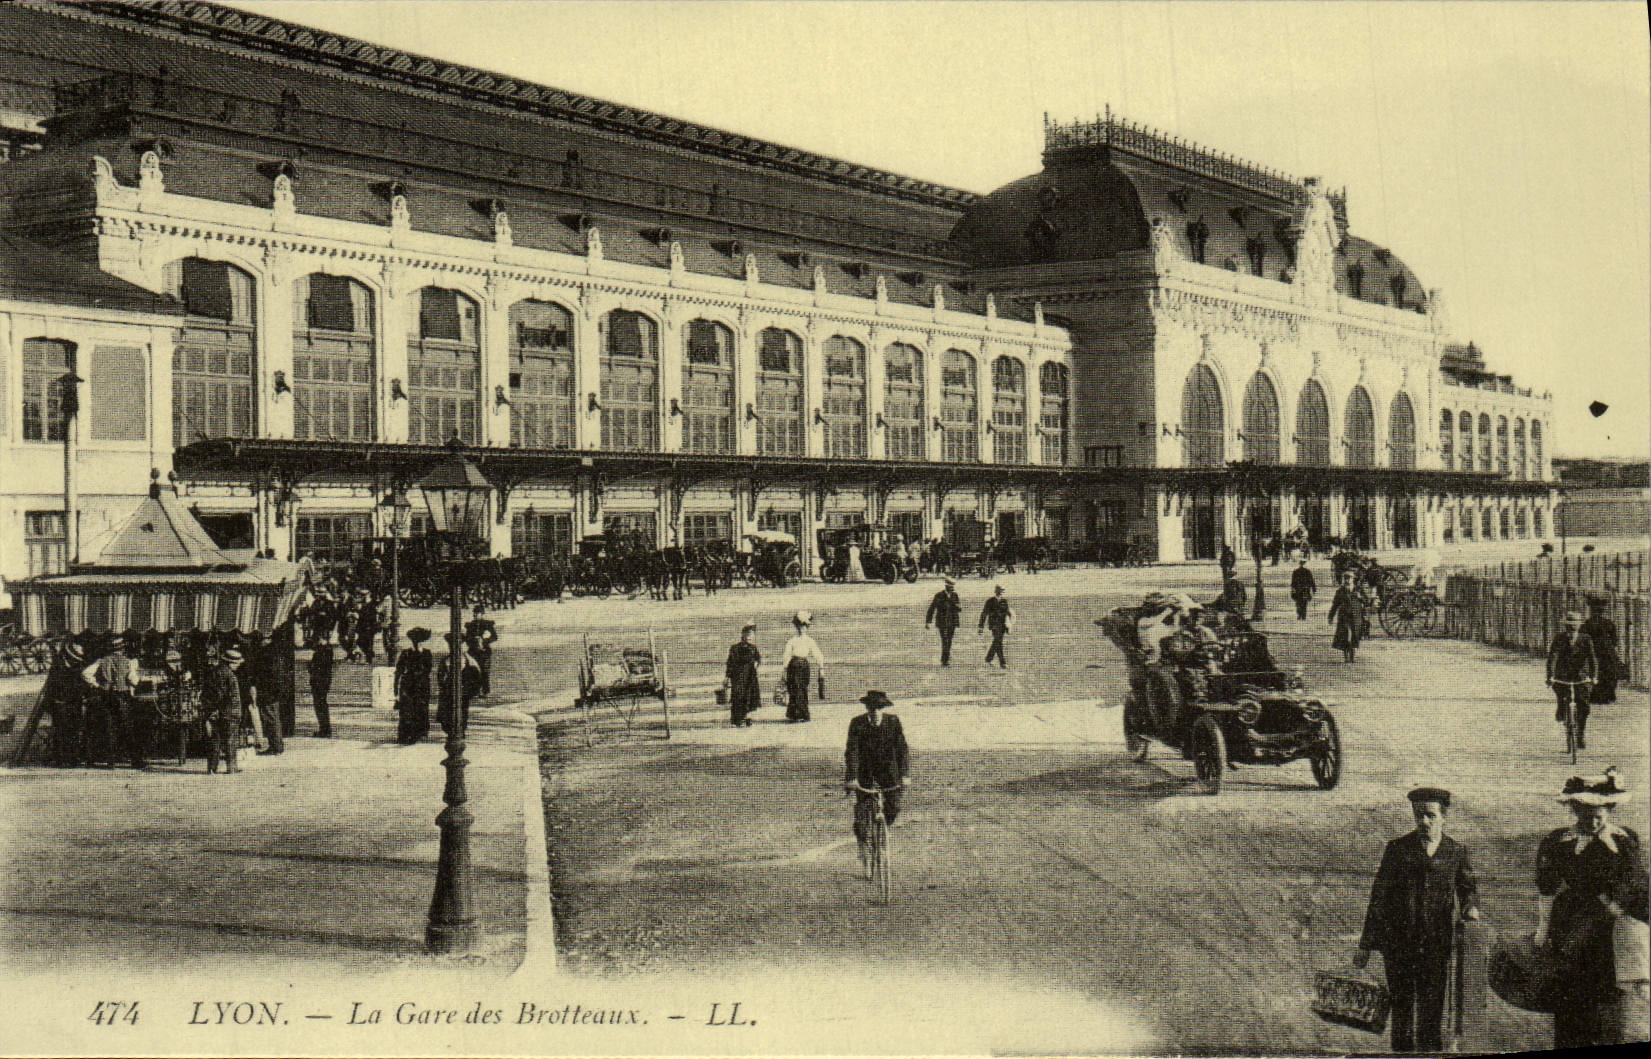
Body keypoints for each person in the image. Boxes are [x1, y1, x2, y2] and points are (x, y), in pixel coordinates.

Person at [1355, 787, 1481, 1053]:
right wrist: (1365, 945)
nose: (1424, 822)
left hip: (1436, 946)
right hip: (1399, 946)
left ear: (1443, 817)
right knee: (1401, 1012)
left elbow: (1468, 887)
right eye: (1418, 816)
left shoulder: (1455, 851)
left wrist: (1470, 909)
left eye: (1430, 816)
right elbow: (1378, 898)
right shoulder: (1397, 849)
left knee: (1431, 1012)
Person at [1534, 770, 1648, 1047]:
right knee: (1571, 1002)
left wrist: (1620, 906)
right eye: (1587, 813)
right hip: (1571, 926)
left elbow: (1638, 883)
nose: (1594, 819)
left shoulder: (1625, 841)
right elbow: (1547, 887)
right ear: (1575, 809)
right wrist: (1542, 930)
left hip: (1611, 930)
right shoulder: (1558, 841)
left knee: (1609, 1004)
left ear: (1610, 808)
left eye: (1601, 813)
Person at [843, 690, 910, 873]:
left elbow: (902, 750)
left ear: (884, 709)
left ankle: (883, 833)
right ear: (866, 709)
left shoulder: (893, 722)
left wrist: (904, 775)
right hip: (865, 774)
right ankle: (863, 844)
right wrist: (851, 778)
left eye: (879, 709)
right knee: (863, 814)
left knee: (894, 806)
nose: (875, 712)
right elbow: (852, 751)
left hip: (889, 773)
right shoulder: (857, 724)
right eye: (871, 709)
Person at [81, 635, 144, 769]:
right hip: (122, 696)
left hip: (106, 696)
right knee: (127, 728)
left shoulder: (102, 661)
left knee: (109, 728)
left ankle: (111, 761)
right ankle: (135, 760)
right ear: (122, 649)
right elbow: (133, 680)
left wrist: (97, 685)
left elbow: (86, 673)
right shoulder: (128, 662)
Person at [1546, 610, 1597, 749]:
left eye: (1574, 625)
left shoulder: (1586, 639)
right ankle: (1561, 708)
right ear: (1565, 626)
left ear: (1579, 626)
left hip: (1581, 677)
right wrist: (1550, 676)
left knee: (1584, 706)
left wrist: (1594, 676)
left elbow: (1592, 659)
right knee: (1562, 696)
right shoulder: (1559, 639)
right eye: (1569, 626)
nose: (1572, 628)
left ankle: (1580, 734)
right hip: (1563, 676)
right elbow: (1553, 657)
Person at [41, 641, 87, 767]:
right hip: (60, 704)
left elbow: (81, 686)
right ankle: (60, 759)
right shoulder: (57, 668)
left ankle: (72, 759)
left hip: (73, 704)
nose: (75, 661)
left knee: (73, 731)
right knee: (60, 731)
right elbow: (52, 688)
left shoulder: (76, 667)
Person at [200, 646, 244, 775]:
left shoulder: (214, 672)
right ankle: (231, 768)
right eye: (237, 663)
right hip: (229, 713)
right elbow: (225, 695)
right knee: (230, 741)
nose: (238, 666)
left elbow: (209, 693)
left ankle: (212, 768)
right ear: (231, 663)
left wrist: (211, 710)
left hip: (215, 711)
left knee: (215, 740)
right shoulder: (230, 676)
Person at [780, 611, 826, 722]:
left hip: (804, 666)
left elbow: (818, 654)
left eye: (804, 626)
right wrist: (784, 670)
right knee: (794, 689)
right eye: (800, 626)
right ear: (797, 627)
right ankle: (794, 715)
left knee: (803, 689)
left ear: (807, 627)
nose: (802, 629)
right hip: (793, 666)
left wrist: (821, 668)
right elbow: (786, 655)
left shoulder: (810, 641)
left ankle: (803, 714)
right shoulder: (792, 640)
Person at [436, 633, 482, 737]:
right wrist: (444, 685)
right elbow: (440, 676)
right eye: (450, 645)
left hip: (462, 691)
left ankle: (459, 731)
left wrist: (471, 690)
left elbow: (476, 674)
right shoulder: (446, 660)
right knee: (447, 713)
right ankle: (451, 731)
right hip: (449, 691)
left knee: (462, 711)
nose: (452, 647)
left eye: (455, 644)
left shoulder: (468, 659)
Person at [394, 627, 434, 744]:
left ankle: (420, 733)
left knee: (421, 708)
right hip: (408, 684)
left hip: (421, 685)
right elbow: (399, 670)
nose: (417, 643)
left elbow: (428, 669)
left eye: (420, 641)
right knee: (407, 709)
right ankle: (406, 734)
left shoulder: (426, 653)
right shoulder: (406, 653)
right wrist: (396, 689)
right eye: (415, 641)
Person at [1582, 597, 1623, 706]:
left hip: (1593, 652)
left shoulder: (1586, 624)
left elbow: (1582, 640)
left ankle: (1595, 696)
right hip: (1607, 653)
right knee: (1609, 673)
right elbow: (1614, 641)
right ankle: (1608, 696)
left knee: (1595, 672)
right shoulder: (1609, 623)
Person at [723, 624, 761, 727]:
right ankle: (737, 719)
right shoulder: (735, 648)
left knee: (749, 696)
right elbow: (730, 663)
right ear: (743, 635)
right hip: (737, 676)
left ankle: (746, 717)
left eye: (752, 634)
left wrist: (755, 665)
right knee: (738, 696)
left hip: (750, 676)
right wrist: (727, 677)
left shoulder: (753, 648)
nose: (750, 636)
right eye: (748, 634)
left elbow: (758, 659)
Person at [1328, 572, 1366, 663]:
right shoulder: (1340, 591)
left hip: (1356, 616)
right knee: (1345, 636)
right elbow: (1335, 605)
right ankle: (1345, 657)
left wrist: (1360, 597)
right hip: (1344, 616)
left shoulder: (1358, 589)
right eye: (1346, 578)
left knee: (1354, 636)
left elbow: (1367, 601)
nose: (1347, 580)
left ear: (1353, 579)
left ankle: (1352, 657)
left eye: (1349, 578)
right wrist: (1330, 616)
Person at [925, 577, 962, 666]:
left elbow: (959, 609)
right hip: (942, 622)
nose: (952, 588)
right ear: (946, 586)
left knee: (949, 640)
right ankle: (945, 660)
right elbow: (932, 608)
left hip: (952, 622)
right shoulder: (939, 595)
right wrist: (928, 621)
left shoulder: (955, 595)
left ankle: (946, 657)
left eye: (953, 587)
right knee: (945, 640)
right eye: (950, 586)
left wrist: (956, 606)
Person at [464, 603, 499, 699]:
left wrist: (485, 641)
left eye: (477, 613)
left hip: (484, 652)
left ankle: (485, 690)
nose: (475, 615)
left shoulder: (487, 624)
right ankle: (475, 690)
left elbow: (495, 637)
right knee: (473, 671)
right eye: (474, 613)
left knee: (484, 671)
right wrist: (473, 640)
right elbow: (467, 638)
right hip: (473, 651)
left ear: (482, 614)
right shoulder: (470, 626)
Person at [307, 635, 335, 737]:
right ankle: (325, 728)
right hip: (324, 682)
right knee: (322, 704)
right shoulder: (328, 650)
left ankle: (325, 729)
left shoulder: (321, 652)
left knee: (320, 705)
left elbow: (315, 668)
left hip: (319, 682)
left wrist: (310, 665)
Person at [978, 584, 1013, 668]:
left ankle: (988, 659)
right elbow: (984, 614)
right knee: (998, 642)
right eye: (1000, 591)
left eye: (1002, 591)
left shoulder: (1004, 601)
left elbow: (1008, 613)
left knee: (996, 642)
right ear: (996, 591)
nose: (1001, 593)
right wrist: (980, 626)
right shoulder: (990, 601)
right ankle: (1002, 662)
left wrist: (1009, 625)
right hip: (994, 625)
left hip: (1002, 625)